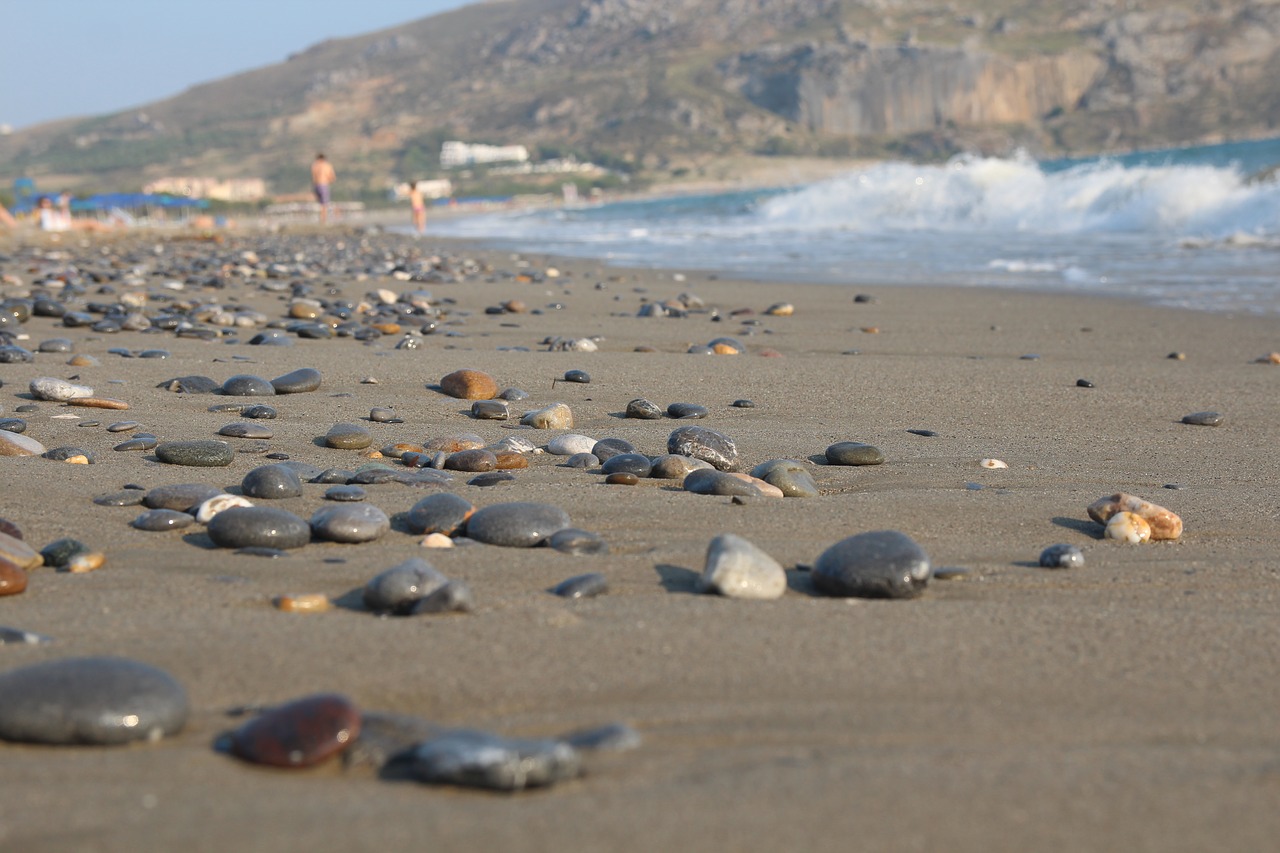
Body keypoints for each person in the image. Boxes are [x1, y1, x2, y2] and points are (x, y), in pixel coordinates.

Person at [311, 153, 336, 224]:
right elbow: (332, 177)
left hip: (316, 186)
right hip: (324, 184)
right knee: (324, 204)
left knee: (320, 203)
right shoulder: (327, 165)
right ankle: (323, 220)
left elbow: (313, 178)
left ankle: (321, 218)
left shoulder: (314, 166)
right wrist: (328, 180)